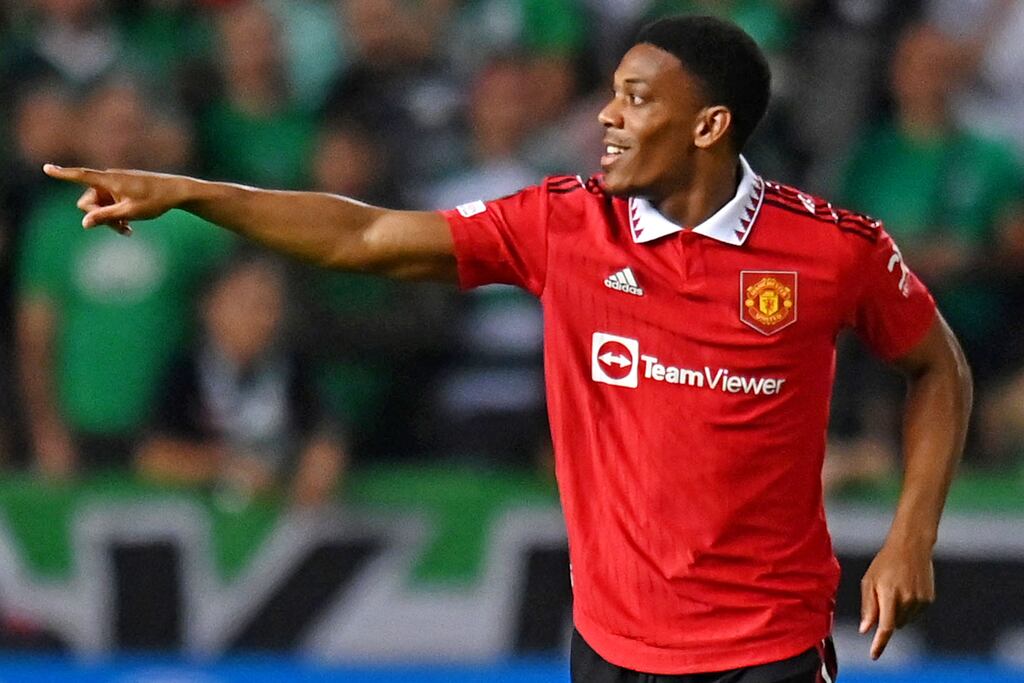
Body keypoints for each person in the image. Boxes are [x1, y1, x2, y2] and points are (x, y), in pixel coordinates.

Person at [43, 15, 971, 681]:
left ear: (709, 126)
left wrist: (911, 535)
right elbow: (366, 237)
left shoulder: (833, 248)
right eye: (610, 92)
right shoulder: (563, 224)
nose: (605, 115)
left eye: (636, 99)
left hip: (765, 647)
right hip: (608, 647)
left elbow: (940, 368)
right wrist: (197, 191)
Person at [136, 251, 347, 509]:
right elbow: (153, 457)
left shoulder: (293, 369)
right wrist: (224, 466)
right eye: (244, 303)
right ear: (210, 307)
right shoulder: (185, 370)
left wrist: (317, 469)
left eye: (267, 305)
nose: (256, 318)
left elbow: (324, 439)